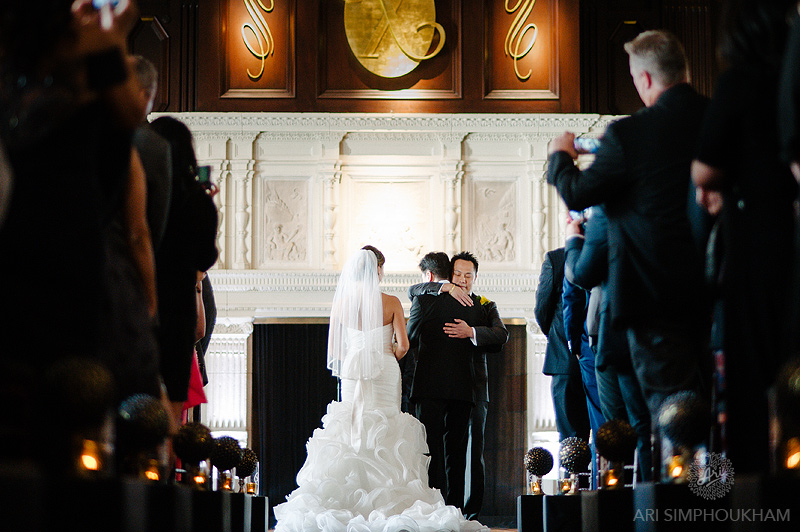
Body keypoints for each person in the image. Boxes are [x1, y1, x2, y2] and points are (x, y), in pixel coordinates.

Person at [547, 30, 710, 478]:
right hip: (716, 290)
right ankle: (720, 501)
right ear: (685, 69)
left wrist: (560, 155)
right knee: (712, 410)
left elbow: (577, 193)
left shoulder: (631, 135)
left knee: (668, 416)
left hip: (652, 296)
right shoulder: (716, 118)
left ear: (643, 78)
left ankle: (681, 509)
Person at [274, 248, 487, 532]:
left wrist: (359, 356)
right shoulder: (390, 302)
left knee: (352, 428)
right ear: (378, 270)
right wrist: (384, 357)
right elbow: (404, 345)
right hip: (384, 369)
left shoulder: (341, 304)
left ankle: (346, 502)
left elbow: (337, 350)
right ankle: (394, 501)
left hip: (352, 370)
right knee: (386, 426)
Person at [692, 0, 798, 474]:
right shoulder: (791, 77)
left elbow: (704, 168)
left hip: (756, 237)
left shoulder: (742, 81)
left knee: (752, 371)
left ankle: (757, 491)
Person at [407, 251, 508, 517]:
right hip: (438, 387)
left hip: (471, 387)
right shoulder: (430, 296)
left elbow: (501, 334)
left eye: (468, 275)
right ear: (449, 276)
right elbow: (415, 289)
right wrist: (444, 288)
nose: (463, 279)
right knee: (435, 451)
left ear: (475, 278)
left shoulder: (484, 304)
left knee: (467, 454)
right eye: (458, 274)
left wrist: (471, 332)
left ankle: (461, 511)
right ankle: (439, 508)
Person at [564, 207, 652, 480]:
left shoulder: (612, 222)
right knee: (619, 426)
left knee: (634, 423)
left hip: (627, 336)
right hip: (605, 340)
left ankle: (637, 491)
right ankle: (626, 489)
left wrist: (573, 241)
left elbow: (579, 274)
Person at [150, 116, 219, 429]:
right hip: (177, 309)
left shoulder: (141, 190)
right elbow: (205, 256)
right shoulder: (195, 203)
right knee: (171, 412)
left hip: (142, 303)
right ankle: (163, 470)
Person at [535, 248, 590, 443]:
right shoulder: (556, 258)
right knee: (576, 437)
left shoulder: (558, 258)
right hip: (573, 360)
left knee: (573, 436)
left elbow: (543, 307)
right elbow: (543, 309)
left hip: (570, 360)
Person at [401, 251, 453, 415]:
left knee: (429, 438)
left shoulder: (422, 302)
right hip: (461, 388)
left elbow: (410, 340)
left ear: (429, 275)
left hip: (430, 385)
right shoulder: (469, 300)